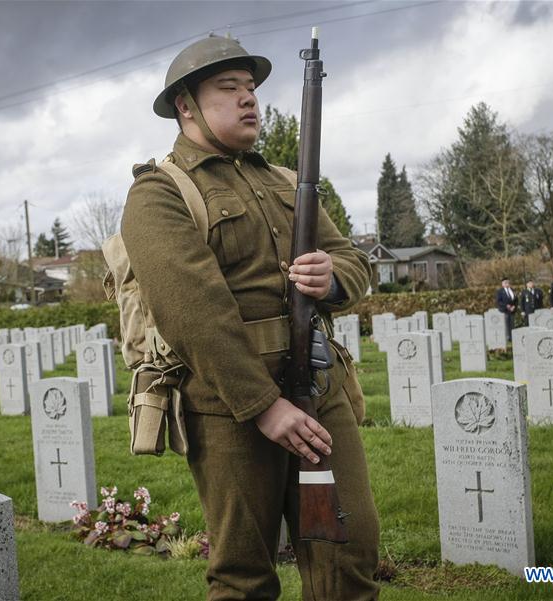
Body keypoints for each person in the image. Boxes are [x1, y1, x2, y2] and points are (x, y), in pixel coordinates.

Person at [121, 35, 379, 600]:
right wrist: (263, 406)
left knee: (349, 558)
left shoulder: (285, 180)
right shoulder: (159, 193)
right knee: (245, 576)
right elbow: (195, 314)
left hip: (318, 388)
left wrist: (332, 277)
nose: (249, 99)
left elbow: (354, 259)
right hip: (230, 408)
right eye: (228, 88)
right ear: (186, 105)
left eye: (251, 88)